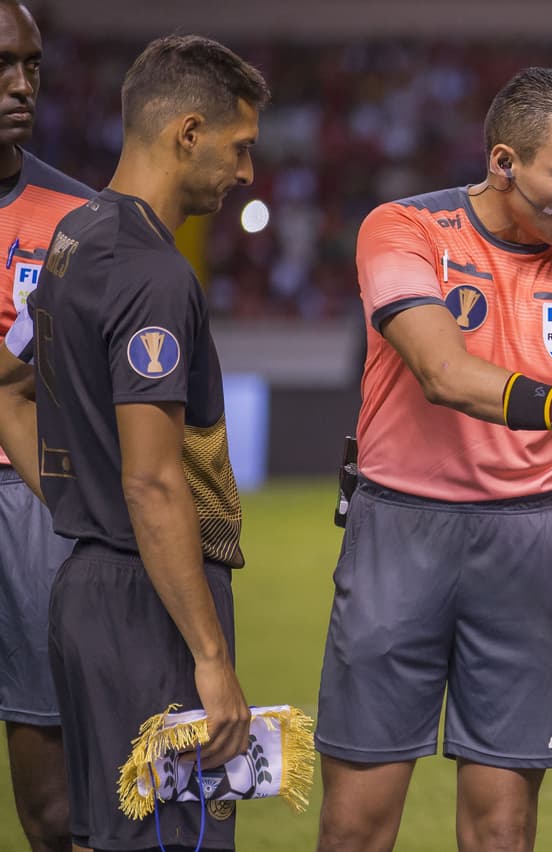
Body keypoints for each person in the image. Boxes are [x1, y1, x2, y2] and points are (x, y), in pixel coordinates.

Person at [313, 66, 552, 852]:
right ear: (504, 163)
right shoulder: (403, 230)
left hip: (527, 543)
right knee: (357, 826)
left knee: (503, 829)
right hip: (400, 528)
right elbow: (442, 373)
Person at [0, 34, 269, 851]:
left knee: (96, 839)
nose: (247, 174)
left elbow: (8, 385)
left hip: (86, 588)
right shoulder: (154, 275)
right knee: (170, 841)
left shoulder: (72, 240)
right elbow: (154, 485)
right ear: (188, 132)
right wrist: (212, 658)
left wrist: (79, 501)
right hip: (144, 606)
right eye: (240, 148)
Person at [0, 3, 93, 851]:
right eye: (1, 65)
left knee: (52, 807)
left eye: (30, 65)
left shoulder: (76, 217)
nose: (20, 85)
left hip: (30, 495)